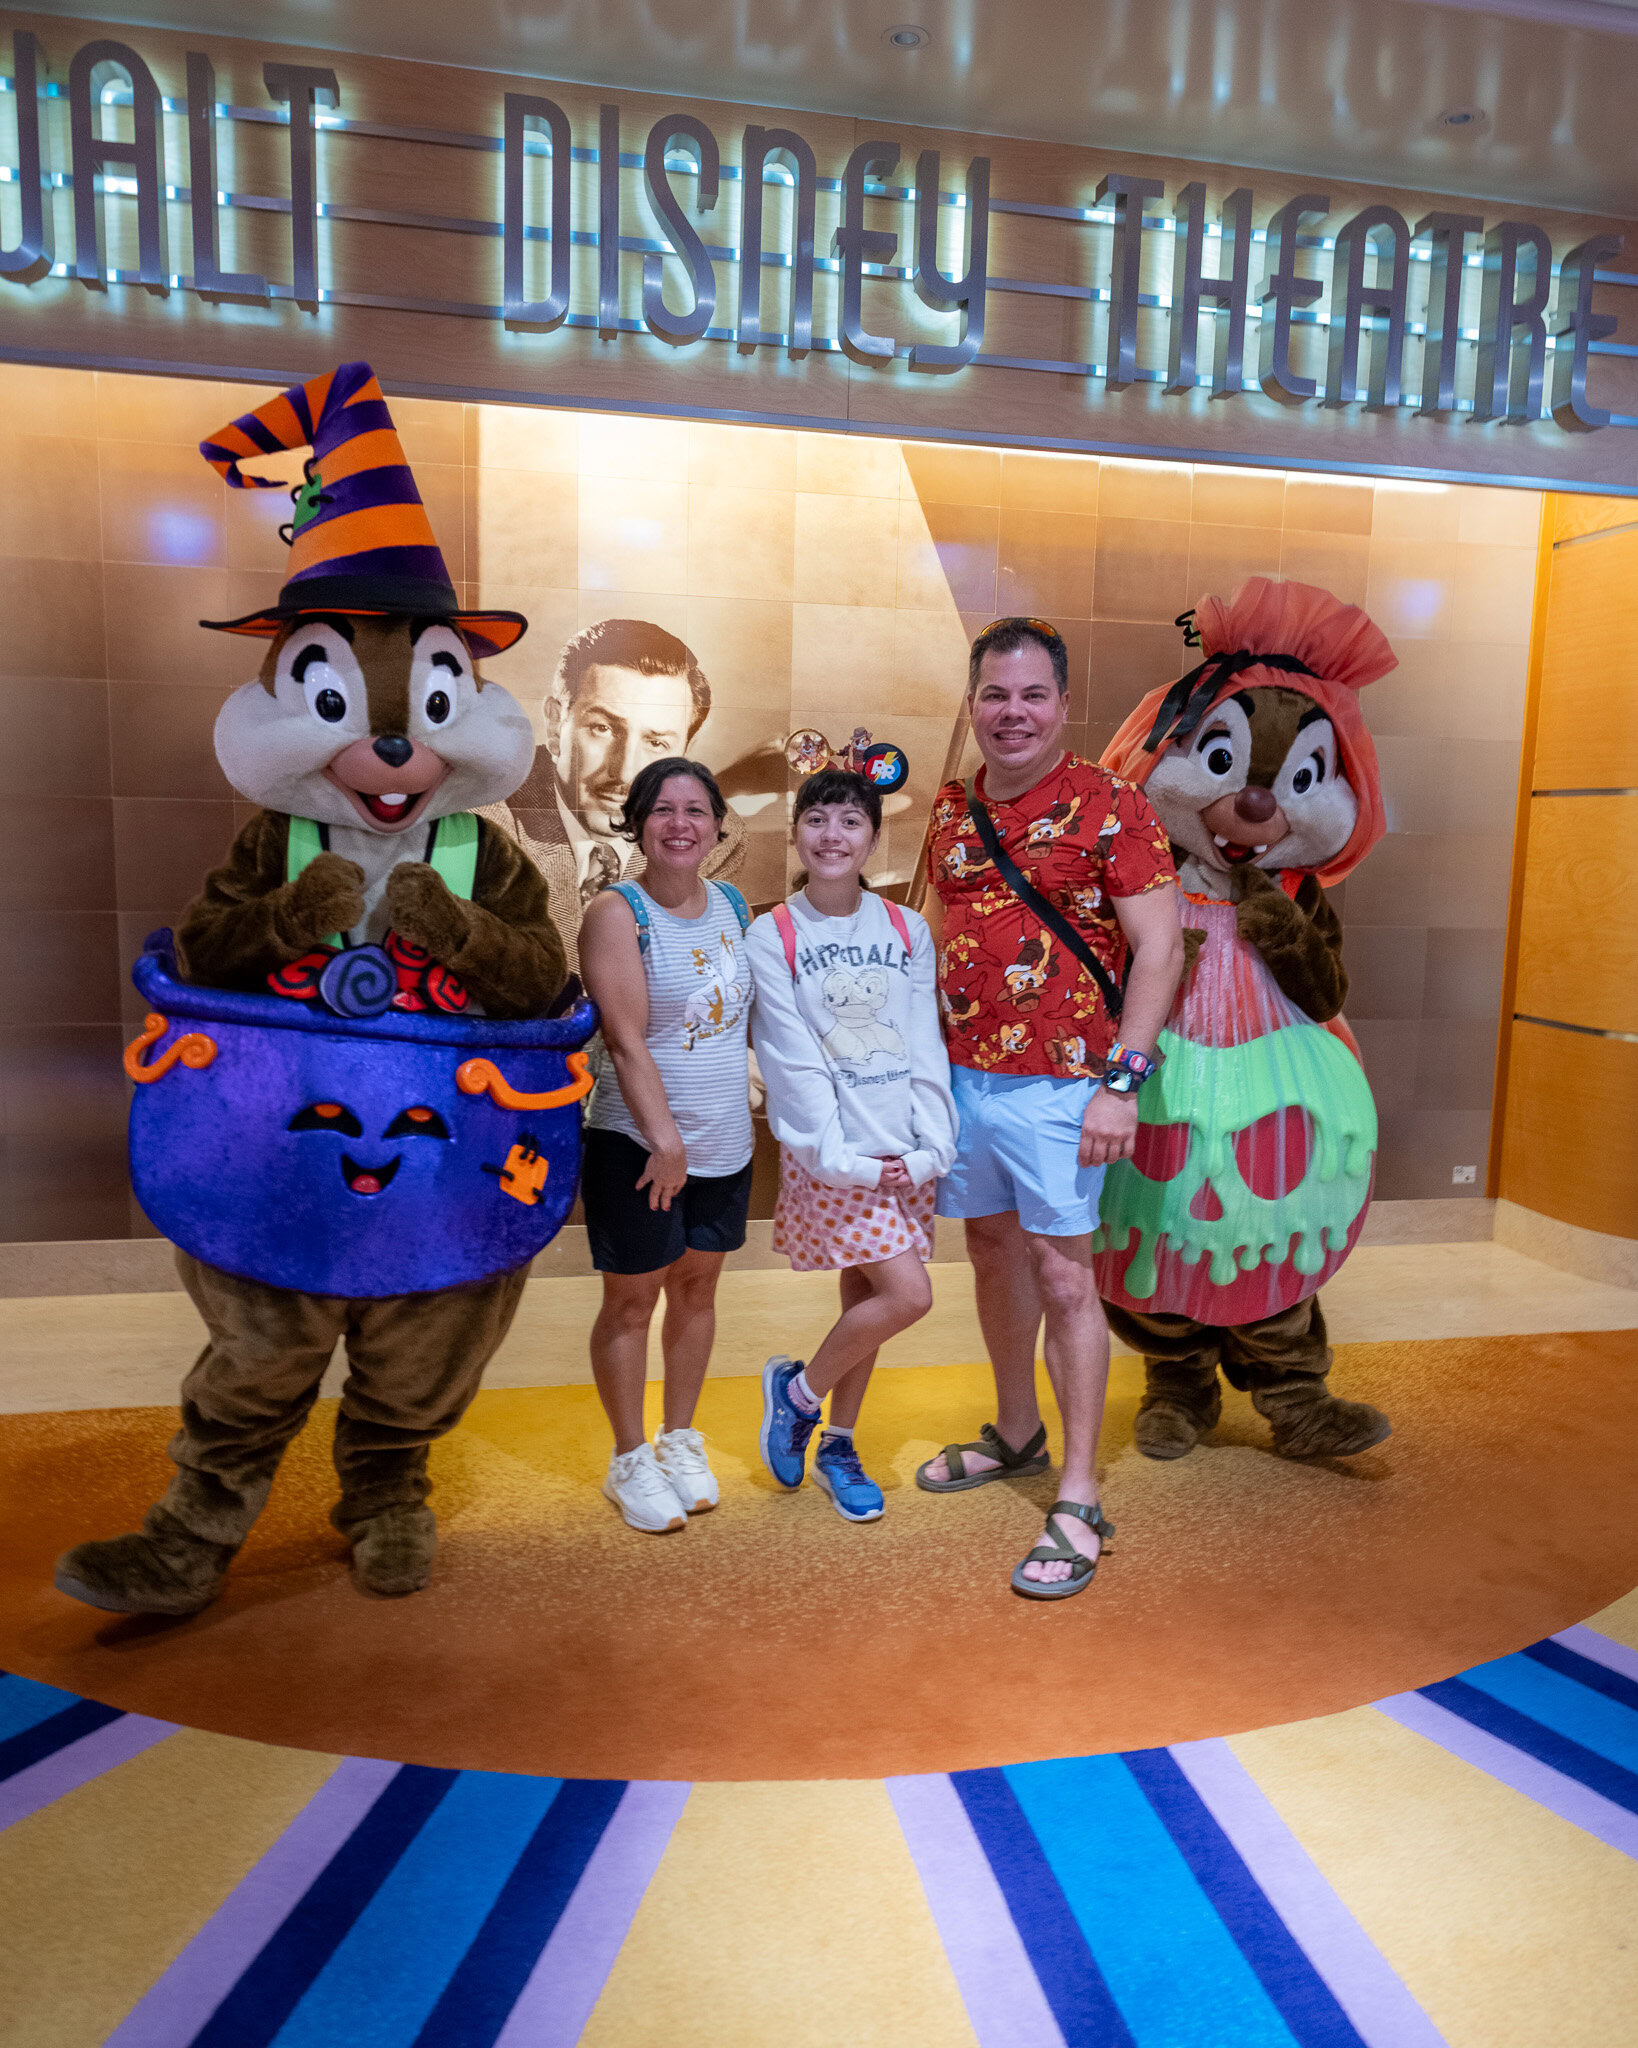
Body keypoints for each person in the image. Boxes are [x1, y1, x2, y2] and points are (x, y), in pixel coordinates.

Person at [918, 617, 1185, 1599]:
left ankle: (1078, 1491)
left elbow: (1160, 947)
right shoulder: (951, 811)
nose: (1012, 711)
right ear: (974, 700)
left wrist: (1124, 1079)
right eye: (995, 693)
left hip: (1069, 1083)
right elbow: (943, 932)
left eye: (1032, 694)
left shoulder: (1115, 807)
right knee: (990, 1251)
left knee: (1066, 1276)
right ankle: (1017, 1431)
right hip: (966, 1078)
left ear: (1062, 704)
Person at [749, 768, 957, 1522]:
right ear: (796, 831)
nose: (832, 835)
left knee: (867, 1298)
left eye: (850, 822)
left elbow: (925, 1044)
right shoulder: (771, 932)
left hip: (904, 1152)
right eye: (818, 819)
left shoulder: (906, 929)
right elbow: (791, 1058)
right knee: (909, 1295)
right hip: (836, 1155)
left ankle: (839, 1443)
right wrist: (840, 1158)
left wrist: (934, 1145)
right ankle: (798, 1397)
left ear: (873, 837)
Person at [576, 757, 755, 1532]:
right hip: (639, 1145)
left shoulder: (735, 906)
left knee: (697, 1292)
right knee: (631, 1301)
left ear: (717, 824)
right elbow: (623, 1041)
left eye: (696, 809)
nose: (680, 823)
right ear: (639, 821)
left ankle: (679, 1439)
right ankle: (628, 1458)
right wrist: (665, 1139)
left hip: (724, 1141)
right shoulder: (619, 912)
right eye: (663, 809)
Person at [506, 619, 744, 911]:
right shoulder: (482, 819)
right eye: (602, 728)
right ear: (556, 725)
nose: (626, 772)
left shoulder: (712, 839)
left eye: (656, 743)